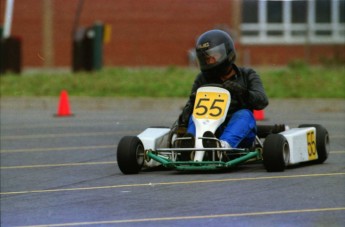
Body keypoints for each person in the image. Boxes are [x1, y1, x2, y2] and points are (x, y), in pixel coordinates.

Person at [177, 29, 269, 149]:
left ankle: (223, 145)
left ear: (228, 52)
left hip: (241, 132)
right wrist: (191, 104)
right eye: (206, 58)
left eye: (214, 56)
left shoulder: (247, 75)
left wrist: (242, 92)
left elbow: (262, 101)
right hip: (209, 132)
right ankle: (190, 145)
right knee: (195, 115)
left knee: (244, 114)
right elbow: (185, 118)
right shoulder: (202, 78)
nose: (210, 61)